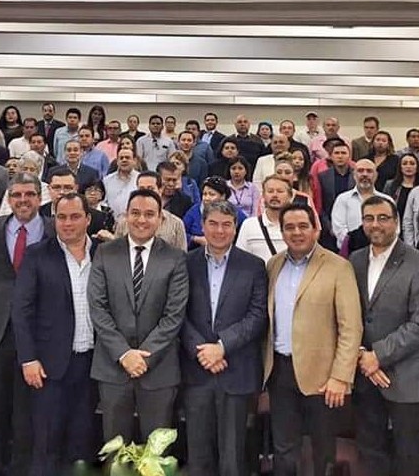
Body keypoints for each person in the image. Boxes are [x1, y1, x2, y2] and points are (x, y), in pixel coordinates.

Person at [264, 202, 362, 476]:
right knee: (284, 448)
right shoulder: (274, 265)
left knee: (323, 448)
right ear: (282, 232)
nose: (296, 233)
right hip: (280, 370)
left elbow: (350, 327)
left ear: (316, 229)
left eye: (302, 226)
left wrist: (340, 376)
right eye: (289, 227)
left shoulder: (338, 267)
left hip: (323, 376)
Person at [88, 189, 189, 442]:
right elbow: (98, 308)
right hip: (113, 367)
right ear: (125, 216)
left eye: (149, 214)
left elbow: (174, 315)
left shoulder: (175, 258)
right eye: (135, 213)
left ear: (160, 219)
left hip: (159, 369)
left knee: (155, 451)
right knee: (115, 449)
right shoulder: (105, 252)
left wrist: (144, 356)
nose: (141, 220)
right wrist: (124, 354)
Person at [350, 195, 419, 476]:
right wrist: (363, 355)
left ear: (397, 222)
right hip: (364, 373)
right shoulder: (355, 260)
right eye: (369, 218)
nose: (375, 224)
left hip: (405, 373)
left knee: (408, 452)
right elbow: (349, 315)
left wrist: (378, 355)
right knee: (369, 448)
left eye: (383, 218)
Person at [12, 192, 99, 475]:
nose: (67, 223)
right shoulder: (37, 254)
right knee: (46, 442)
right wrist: (28, 359)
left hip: (93, 364)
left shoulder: (103, 253)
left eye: (75, 217)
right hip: (49, 366)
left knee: (83, 441)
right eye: (61, 217)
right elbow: (21, 310)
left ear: (88, 219)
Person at [182, 200, 268, 476]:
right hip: (196, 373)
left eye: (226, 225)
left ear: (235, 227)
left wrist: (221, 347)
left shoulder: (254, 266)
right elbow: (177, 314)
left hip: (235, 370)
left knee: (233, 458)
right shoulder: (186, 263)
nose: (220, 231)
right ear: (203, 226)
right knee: (198, 457)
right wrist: (202, 351)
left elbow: (257, 315)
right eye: (213, 224)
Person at [0, 173, 50, 475]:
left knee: (30, 404)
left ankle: (25, 463)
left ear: (40, 198)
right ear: (8, 197)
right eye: (17, 194)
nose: (23, 200)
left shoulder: (54, 229)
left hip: (39, 329)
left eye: (29, 194)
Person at [330, 159, 391, 250]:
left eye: (369, 171)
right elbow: (339, 230)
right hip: (351, 251)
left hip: (382, 250)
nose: (365, 174)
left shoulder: (387, 201)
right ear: (354, 175)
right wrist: (357, 244)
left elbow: (394, 228)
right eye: (360, 171)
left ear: (376, 176)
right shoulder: (343, 199)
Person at [236, 175, 292, 263]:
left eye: (280, 191)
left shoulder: (295, 227)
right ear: (263, 195)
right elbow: (239, 258)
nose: (275, 195)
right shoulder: (249, 225)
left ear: (290, 196)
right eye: (270, 191)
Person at [312, 140, 355, 250]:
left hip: (352, 226)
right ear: (331, 156)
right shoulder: (323, 177)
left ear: (349, 156)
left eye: (343, 153)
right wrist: (329, 226)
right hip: (329, 227)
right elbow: (321, 204)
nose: (340, 156)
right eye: (337, 153)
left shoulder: (357, 176)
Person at [183, 176, 247, 250]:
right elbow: (182, 233)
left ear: (223, 196)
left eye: (211, 194)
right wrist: (196, 239)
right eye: (205, 194)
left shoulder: (234, 212)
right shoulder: (194, 211)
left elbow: (246, 228)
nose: (207, 198)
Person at [384, 153, 419, 231]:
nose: (408, 166)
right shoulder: (390, 186)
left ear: (417, 167)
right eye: (405, 163)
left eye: (412, 163)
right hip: (395, 228)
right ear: (400, 167)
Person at [103, 145, 140, 220]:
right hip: (112, 222)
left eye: (127, 157)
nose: (124, 160)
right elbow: (103, 202)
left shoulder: (140, 179)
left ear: (134, 161)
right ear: (117, 161)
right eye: (121, 158)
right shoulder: (107, 180)